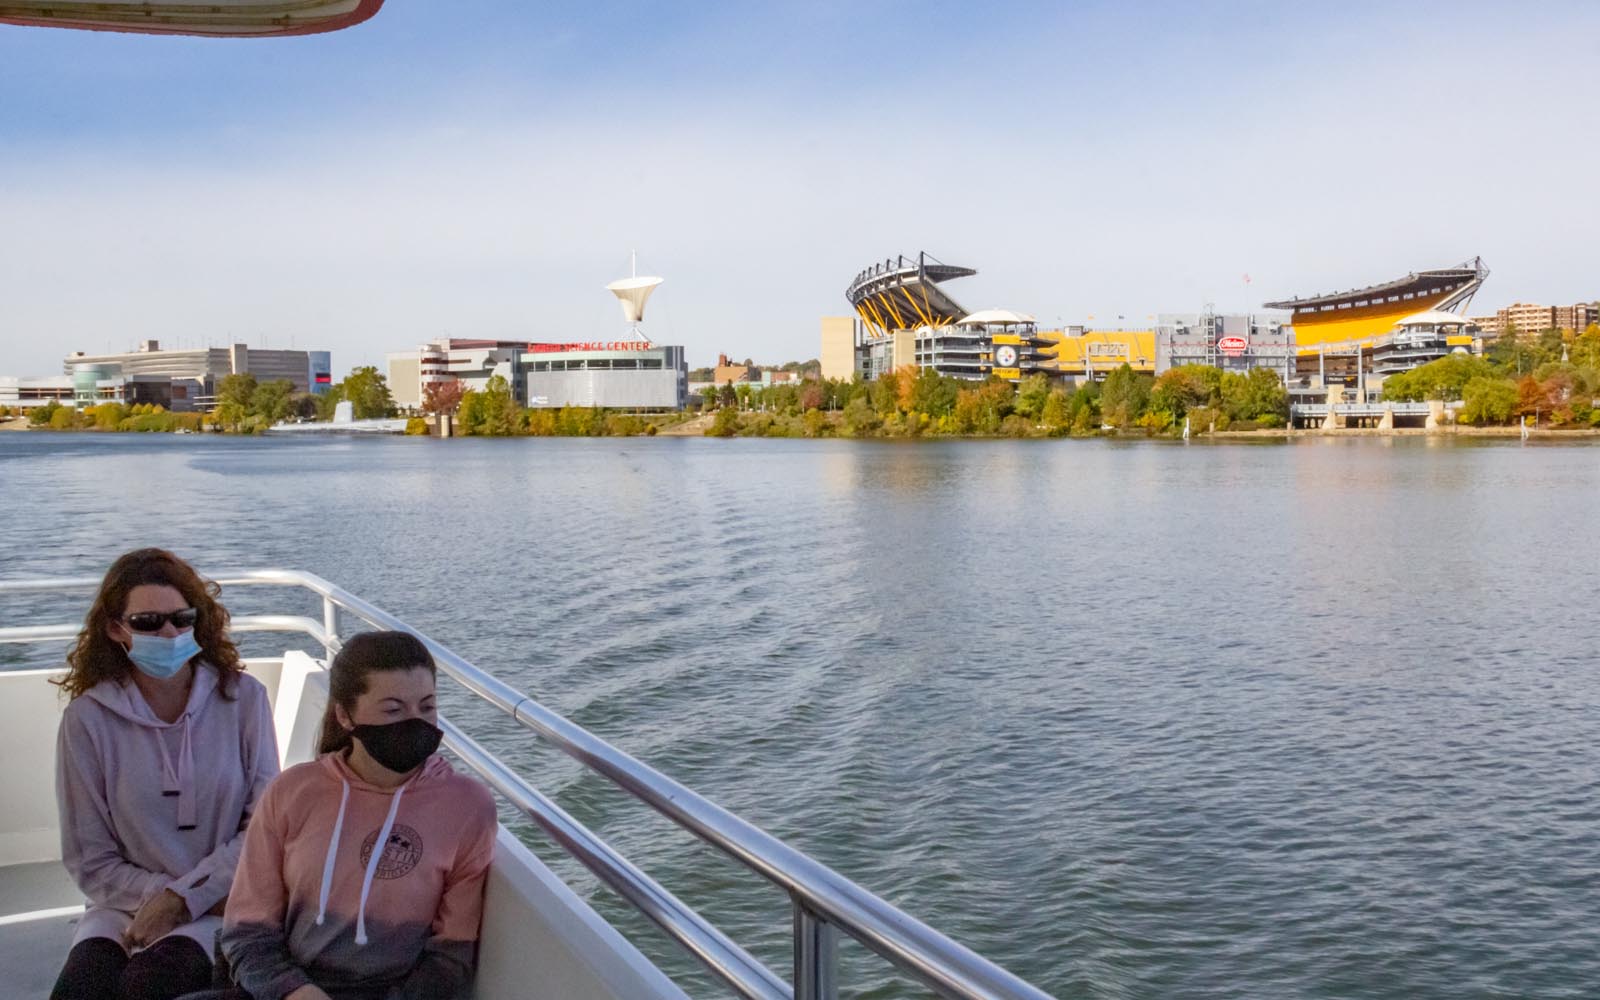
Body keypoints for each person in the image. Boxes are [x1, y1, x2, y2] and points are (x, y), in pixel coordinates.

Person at [191, 631, 496, 1000]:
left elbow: (451, 956)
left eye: (427, 707)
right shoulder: (291, 793)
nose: (415, 721)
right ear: (344, 715)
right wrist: (295, 991)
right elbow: (248, 931)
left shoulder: (467, 806)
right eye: (393, 709)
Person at [52, 548, 281, 1000]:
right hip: (123, 905)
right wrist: (163, 898)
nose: (170, 632)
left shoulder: (244, 700)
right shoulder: (87, 720)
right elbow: (89, 857)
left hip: (220, 902)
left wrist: (184, 900)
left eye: (182, 618)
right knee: (80, 990)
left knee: (147, 988)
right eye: (148, 623)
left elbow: (263, 830)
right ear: (116, 629)